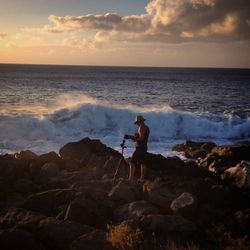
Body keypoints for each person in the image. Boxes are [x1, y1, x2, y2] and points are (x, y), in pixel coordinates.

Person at [128, 115, 150, 181]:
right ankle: (142, 178)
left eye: (137, 122)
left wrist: (133, 138)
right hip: (144, 147)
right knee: (142, 163)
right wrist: (134, 137)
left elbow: (141, 138)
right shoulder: (146, 127)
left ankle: (131, 178)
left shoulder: (141, 127)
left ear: (139, 121)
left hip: (140, 148)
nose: (137, 124)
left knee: (132, 162)